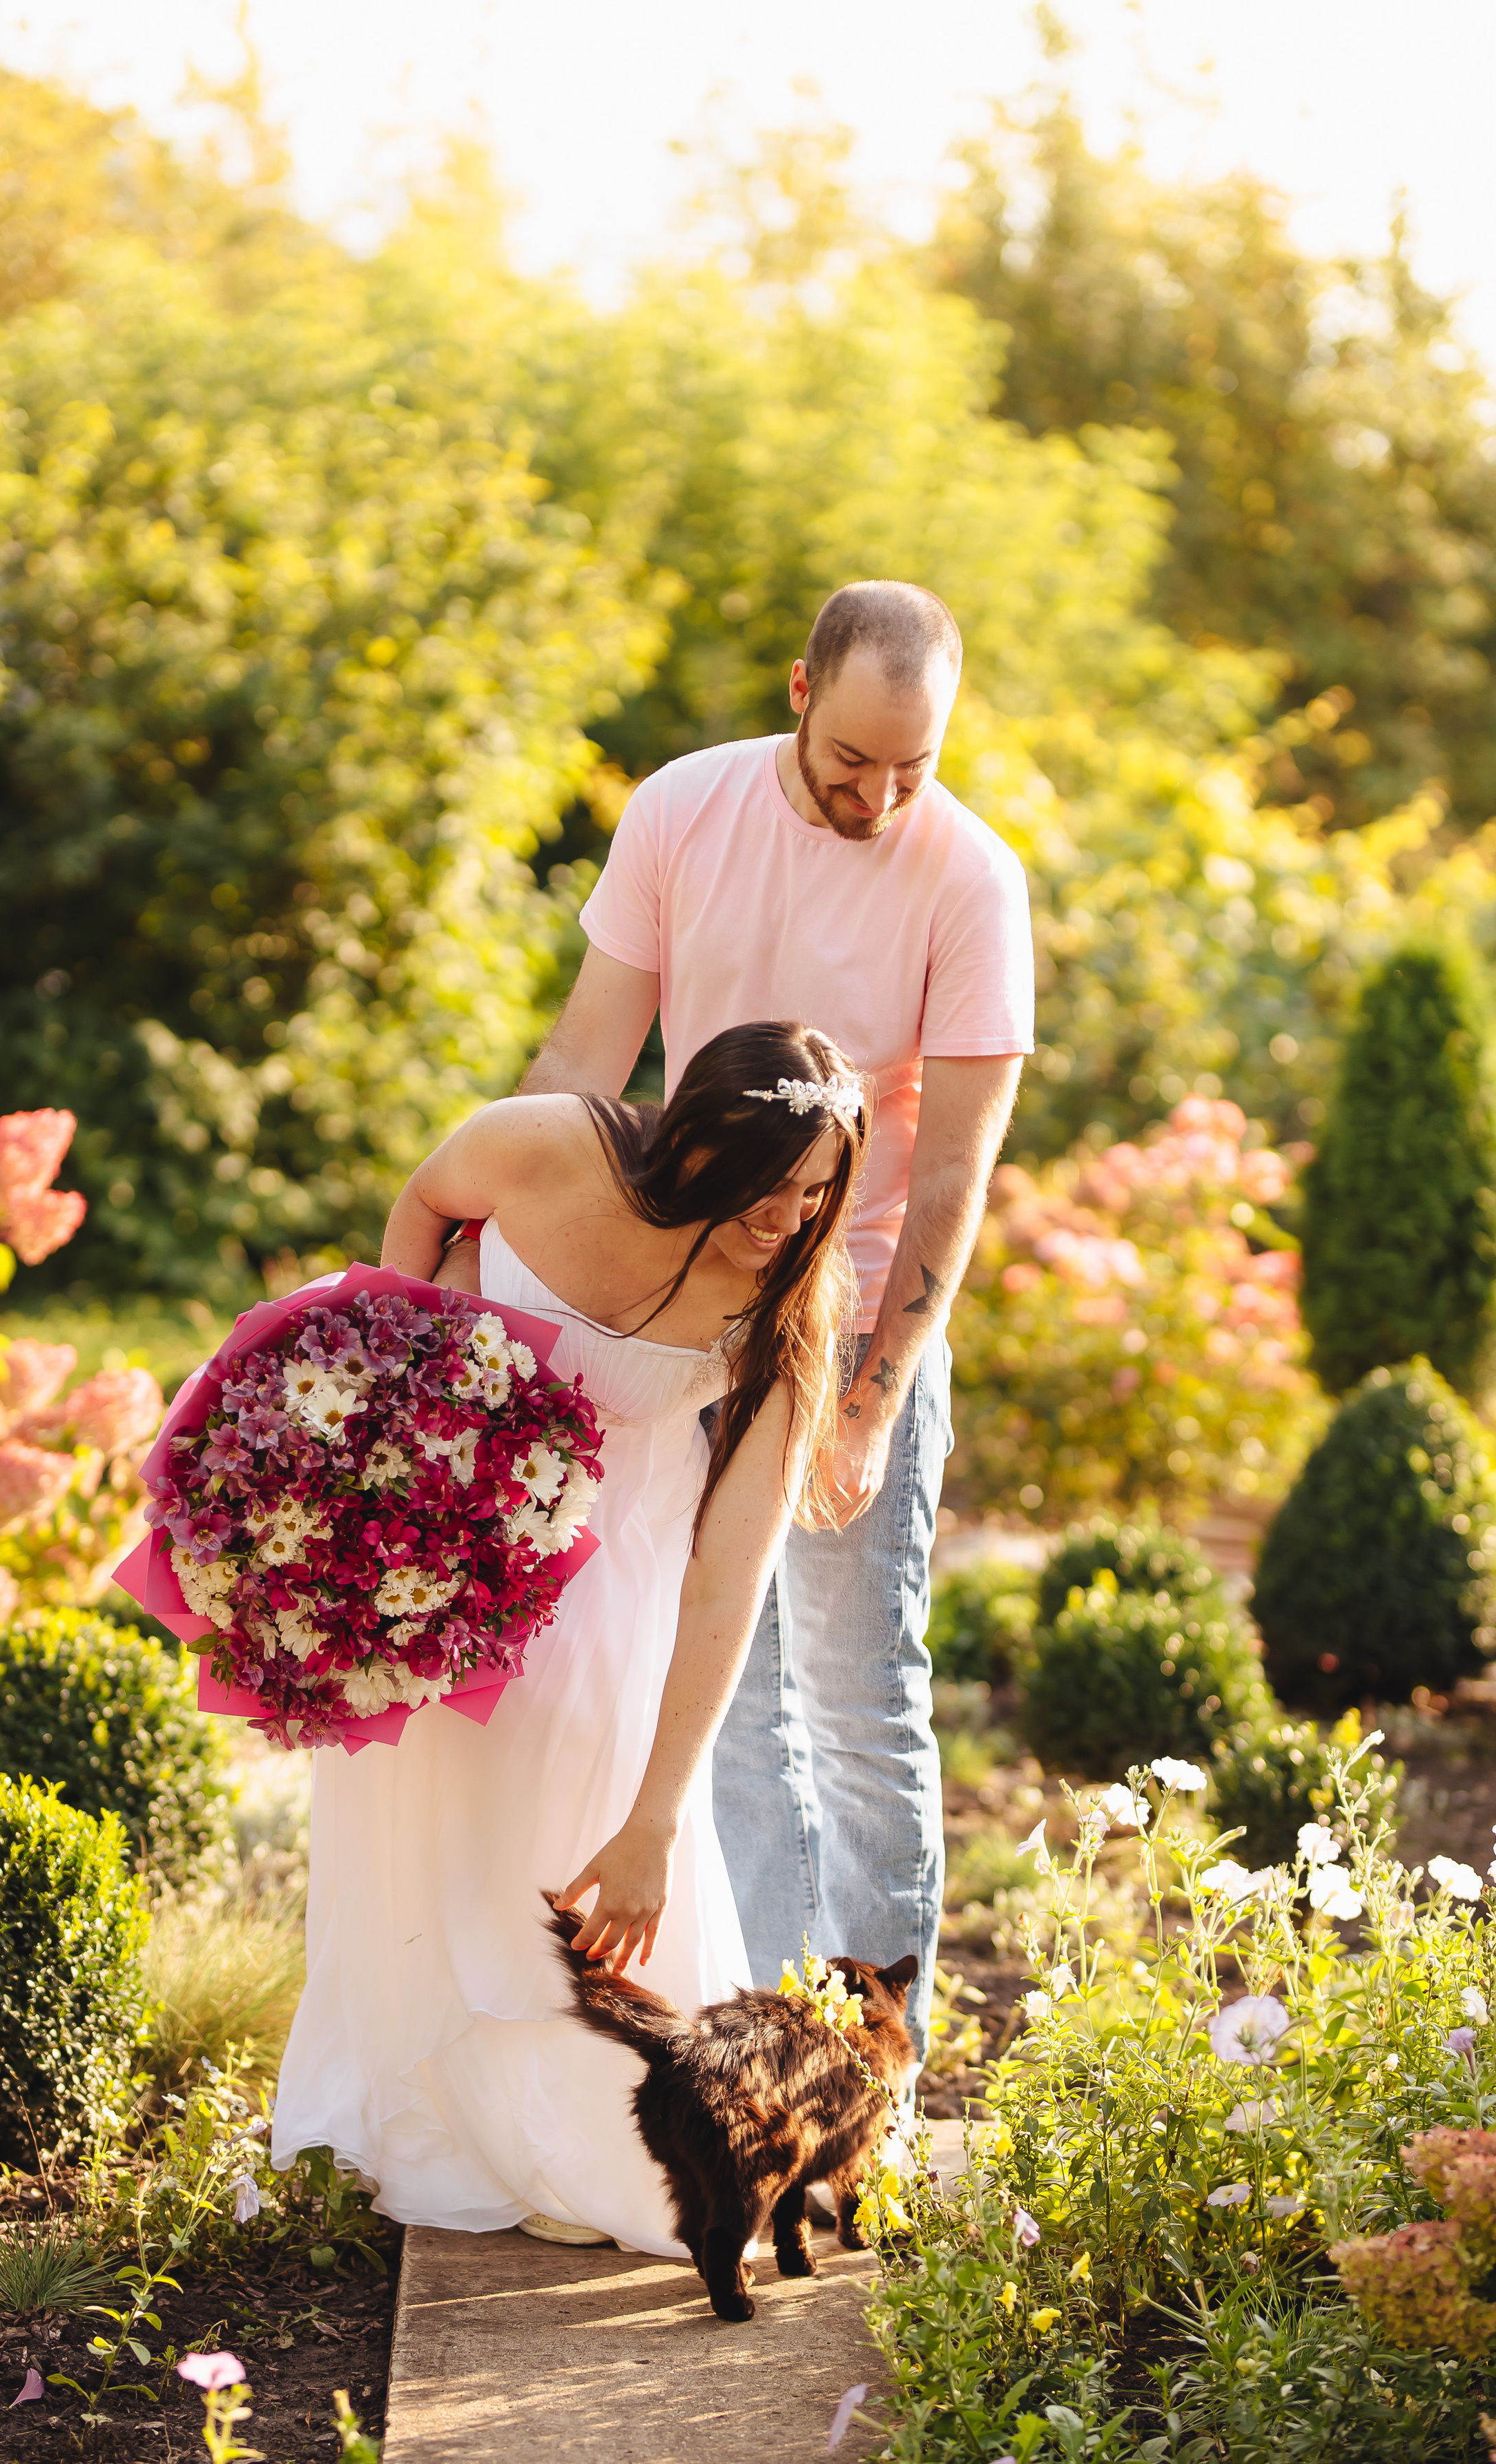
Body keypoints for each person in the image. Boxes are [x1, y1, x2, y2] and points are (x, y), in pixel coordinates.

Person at [510, 579, 1035, 2057]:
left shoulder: (970, 879)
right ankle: (772, 2049)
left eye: (911, 770)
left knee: (860, 1703)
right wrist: (523, 1282)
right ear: (799, 692)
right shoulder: (682, 809)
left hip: (857, 1311)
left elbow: (951, 1173)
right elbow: (584, 1061)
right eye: (851, 762)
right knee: (727, 1694)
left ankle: (870, 2071)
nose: (878, 797)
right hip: (687, 1301)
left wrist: (873, 1398)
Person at [270, 1020, 871, 2254]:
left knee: (566, 1796)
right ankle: (417, 2124)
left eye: (817, 1195)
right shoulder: (543, 1145)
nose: (789, 1221)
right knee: (412, 1810)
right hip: (435, 1542)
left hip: (616, 1576)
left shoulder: (788, 1306)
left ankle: (576, 2142)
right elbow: (425, 1206)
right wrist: (411, 1383)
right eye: (769, 1189)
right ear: (693, 1136)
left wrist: (659, 1813)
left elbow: (727, 1578)